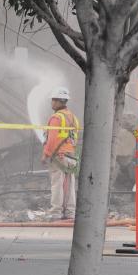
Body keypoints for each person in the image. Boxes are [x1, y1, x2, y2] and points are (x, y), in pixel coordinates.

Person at [41, 87, 80, 219]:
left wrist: (45, 155)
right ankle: (70, 212)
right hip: (71, 155)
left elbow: (51, 140)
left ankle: (56, 212)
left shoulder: (56, 118)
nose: (51, 103)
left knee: (57, 183)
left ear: (59, 101)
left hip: (59, 156)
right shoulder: (73, 117)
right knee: (70, 184)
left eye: (53, 100)